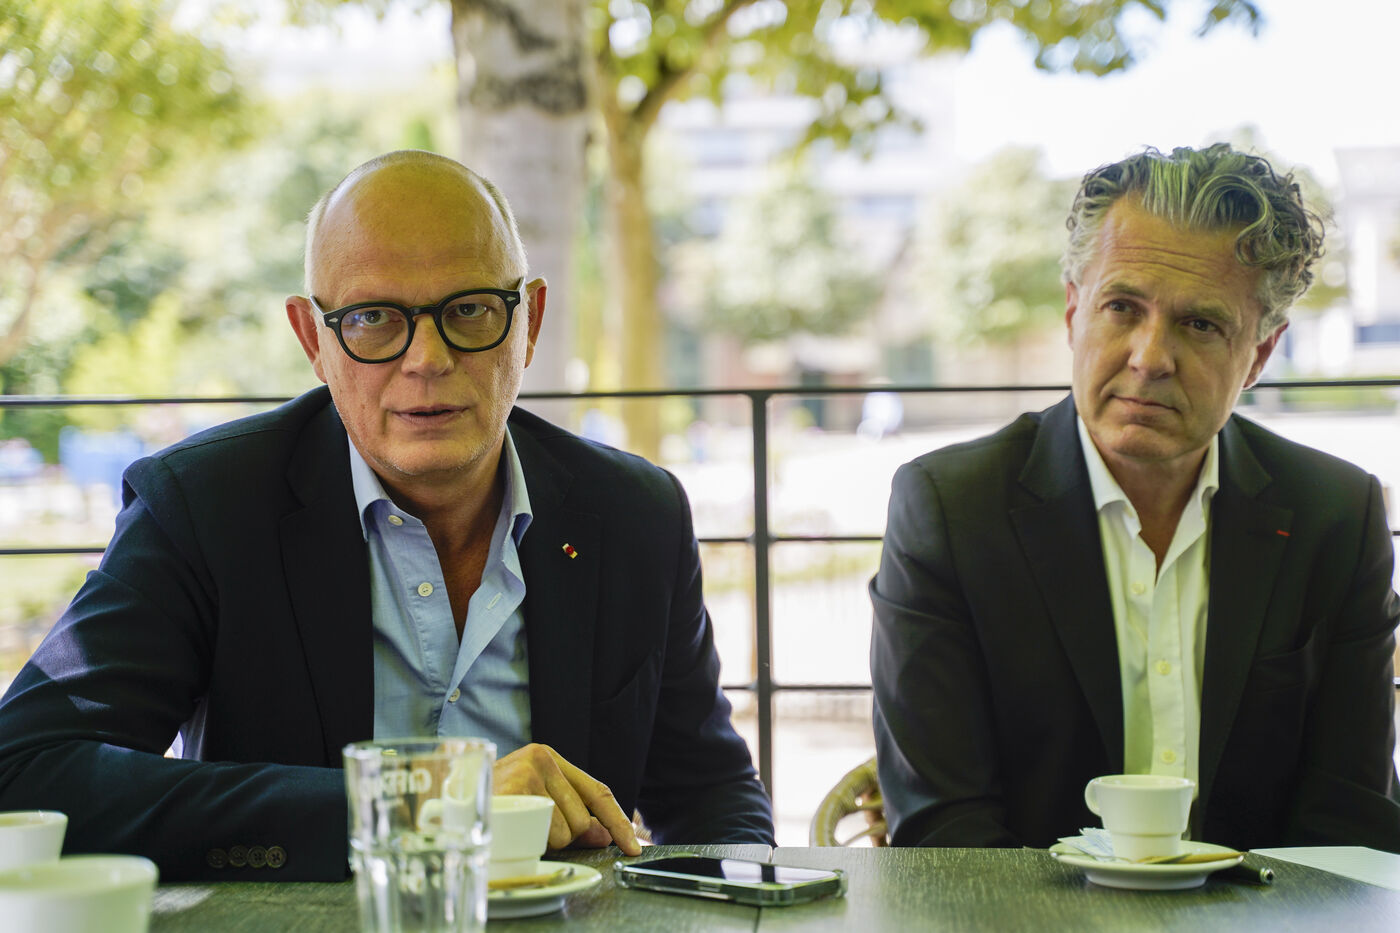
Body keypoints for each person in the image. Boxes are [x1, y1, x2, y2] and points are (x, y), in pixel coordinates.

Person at [0, 150, 773, 881]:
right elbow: (25, 773)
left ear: (530, 322)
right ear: (313, 339)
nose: (427, 358)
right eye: (373, 318)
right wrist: (418, 800)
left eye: (470, 309)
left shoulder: (635, 514)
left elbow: (711, 795)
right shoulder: (205, 507)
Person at [871, 144, 1400, 853]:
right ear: (1073, 312)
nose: (1150, 358)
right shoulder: (949, 509)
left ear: (1259, 355)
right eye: (1122, 307)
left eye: (1201, 324)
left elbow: (1351, 823)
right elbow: (945, 832)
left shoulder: (1336, 516)